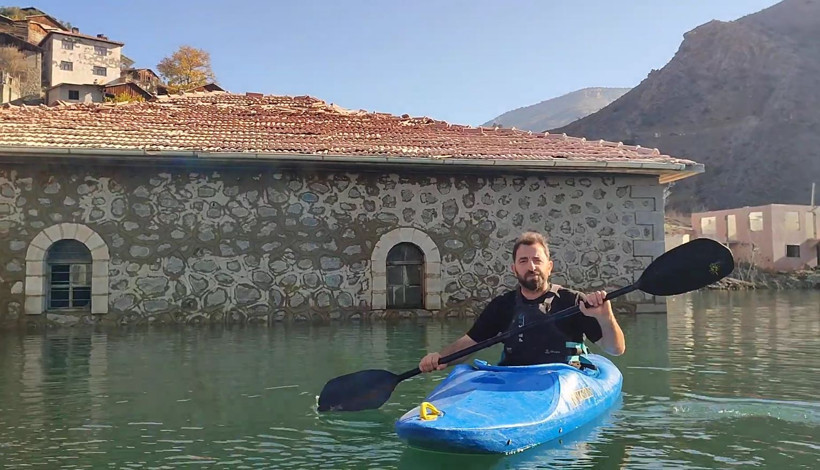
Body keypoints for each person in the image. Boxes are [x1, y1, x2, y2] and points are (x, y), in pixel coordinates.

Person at [419, 231, 625, 372]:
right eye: (523, 261)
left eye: (537, 260)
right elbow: (468, 344)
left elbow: (616, 349)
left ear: (549, 266)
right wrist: (439, 358)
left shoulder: (574, 302)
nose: (531, 267)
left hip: (563, 379)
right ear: (514, 269)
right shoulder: (502, 306)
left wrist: (606, 318)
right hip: (514, 378)